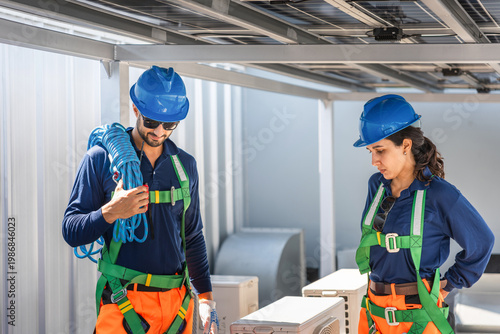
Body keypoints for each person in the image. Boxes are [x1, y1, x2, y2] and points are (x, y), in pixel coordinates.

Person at [62, 66, 219, 334]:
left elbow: (192, 236)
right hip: (124, 303)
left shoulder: (185, 166)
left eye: (169, 125)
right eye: (151, 122)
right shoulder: (100, 160)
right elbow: (71, 230)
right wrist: (110, 211)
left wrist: (205, 297)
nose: (159, 132)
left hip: (176, 306)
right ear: (136, 110)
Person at [353, 94, 494, 334]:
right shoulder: (376, 186)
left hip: (419, 317)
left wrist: (450, 283)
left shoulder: (440, 194)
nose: (374, 161)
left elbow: (482, 242)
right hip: (374, 314)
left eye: (380, 150)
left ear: (406, 145)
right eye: (370, 152)